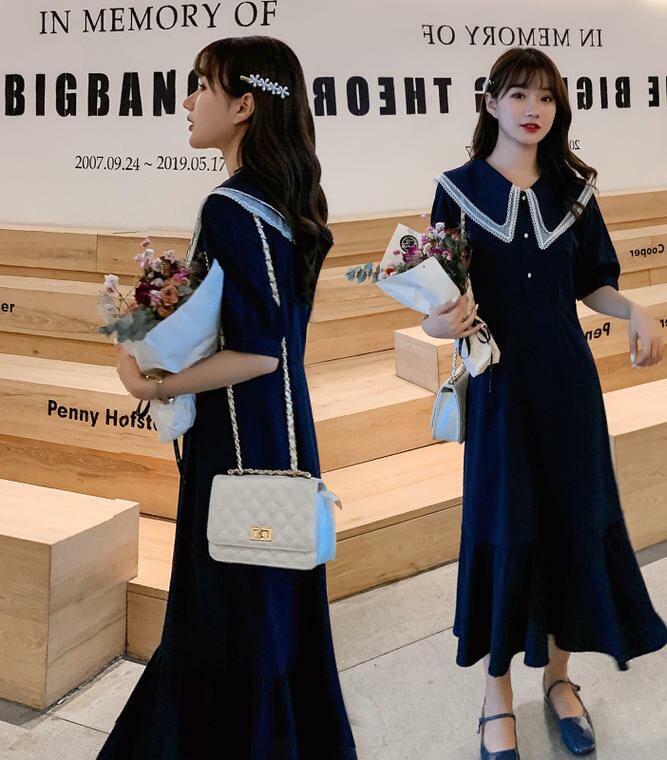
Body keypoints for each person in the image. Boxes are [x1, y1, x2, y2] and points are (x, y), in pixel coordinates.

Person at [99, 36, 357, 759]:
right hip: (284, 432)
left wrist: (151, 380)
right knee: (269, 602)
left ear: (244, 106)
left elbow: (256, 351)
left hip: (238, 443)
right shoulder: (286, 202)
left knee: (225, 610)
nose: (187, 102)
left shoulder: (230, 207)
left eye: (201, 87)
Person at [423, 47, 667, 759]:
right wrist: (439, 323)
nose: (533, 109)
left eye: (547, 98)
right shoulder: (456, 190)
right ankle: (495, 694)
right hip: (500, 389)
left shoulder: (575, 191)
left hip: (568, 387)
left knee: (570, 523)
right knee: (507, 527)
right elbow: (435, 301)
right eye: (519, 95)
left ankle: (560, 679)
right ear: (491, 103)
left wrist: (632, 308)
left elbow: (593, 282)